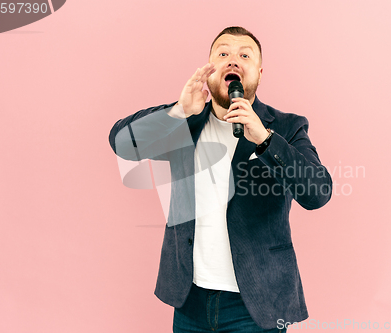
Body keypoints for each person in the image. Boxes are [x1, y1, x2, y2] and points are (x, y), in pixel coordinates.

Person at [109, 26, 332, 333]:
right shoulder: (185, 123)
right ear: (209, 69)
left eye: (244, 55)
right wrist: (176, 111)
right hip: (190, 302)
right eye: (223, 54)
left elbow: (318, 192)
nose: (233, 61)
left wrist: (265, 139)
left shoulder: (285, 126)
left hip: (256, 304)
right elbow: (122, 142)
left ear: (259, 72)